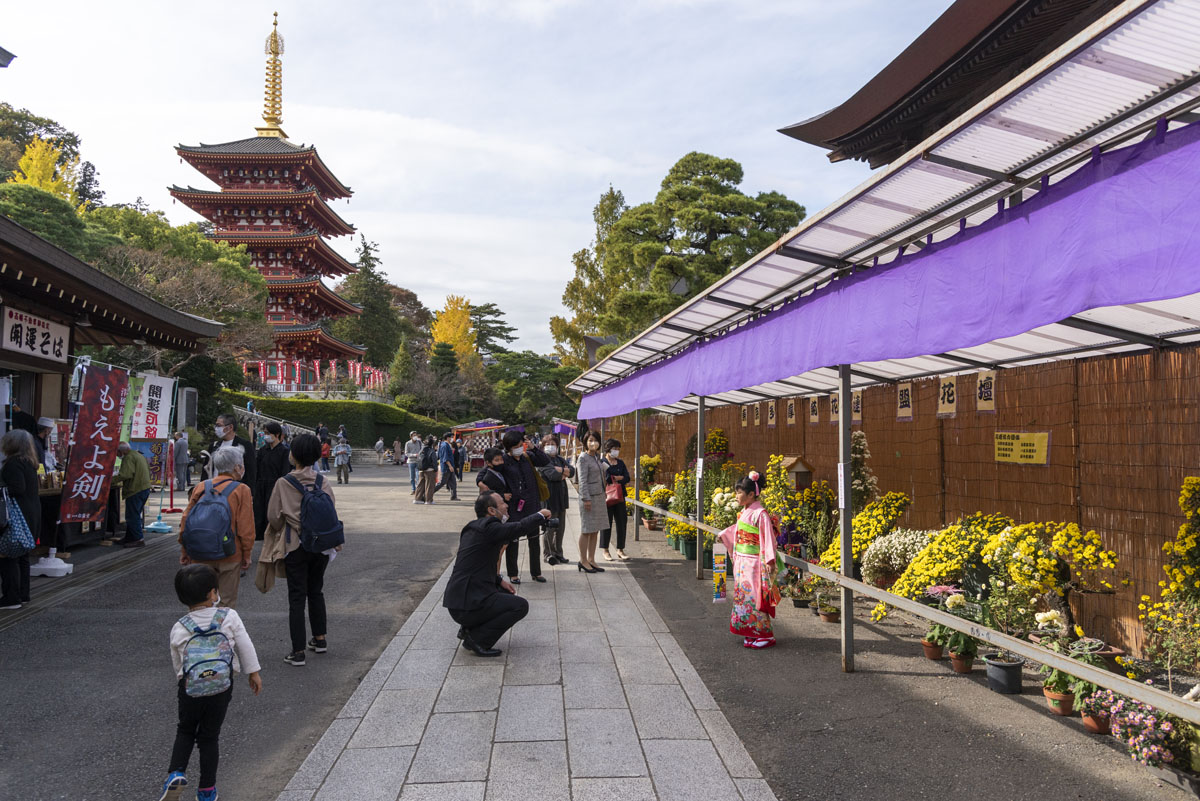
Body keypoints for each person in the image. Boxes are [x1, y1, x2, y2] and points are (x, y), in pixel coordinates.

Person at [161, 564, 261, 801]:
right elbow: (245, 645)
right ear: (212, 593)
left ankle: (176, 772)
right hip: (221, 687)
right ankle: (207, 790)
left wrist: (183, 681)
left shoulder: (180, 626)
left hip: (191, 689)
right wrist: (253, 672)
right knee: (209, 737)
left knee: (185, 730)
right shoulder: (229, 616)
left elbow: (179, 661)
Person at [261, 433, 340, 666]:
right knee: (316, 590)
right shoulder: (321, 481)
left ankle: (297, 651)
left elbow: (273, 517)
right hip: (321, 546)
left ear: (292, 455)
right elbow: (331, 509)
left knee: (297, 596)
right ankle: (320, 639)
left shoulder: (284, 483)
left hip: (295, 544)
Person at [444, 492, 551, 657]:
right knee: (519, 606)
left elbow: (478, 566)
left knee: (504, 592)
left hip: (458, 601)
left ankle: (468, 629)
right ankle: (478, 640)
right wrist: (539, 515)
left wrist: (499, 580)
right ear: (491, 510)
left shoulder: (473, 527)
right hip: (466, 605)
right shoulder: (489, 527)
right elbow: (518, 528)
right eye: (502, 503)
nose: (506, 505)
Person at [179, 446, 255, 609]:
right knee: (226, 604)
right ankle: (221, 633)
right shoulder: (242, 490)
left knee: (200, 602)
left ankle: (200, 632)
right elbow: (245, 527)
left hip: (199, 552)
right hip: (230, 553)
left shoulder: (201, 487)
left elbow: (186, 519)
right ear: (237, 467)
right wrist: (247, 554)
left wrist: (185, 551)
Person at [718, 472, 780, 650]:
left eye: (739, 492)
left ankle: (765, 634)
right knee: (742, 597)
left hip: (754, 563)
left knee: (755, 598)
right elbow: (737, 531)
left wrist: (769, 560)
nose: (736, 496)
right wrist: (724, 535)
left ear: (751, 494)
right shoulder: (744, 512)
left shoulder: (760, 514)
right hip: (742, 561)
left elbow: (767, 537)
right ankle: (750, 632)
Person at [0, 430, 40, 609]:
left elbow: (17, 488)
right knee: (23, 556)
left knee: (8, 556)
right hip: (31, 514)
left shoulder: (13, 464)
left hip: (16, 517)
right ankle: (24, 595)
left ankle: (11, 597)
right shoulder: (30, 463)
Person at [498, 430, 544, 583]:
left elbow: (545, 461)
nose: (520, 448)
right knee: (513, 541)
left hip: (531, 504)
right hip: (514, 507)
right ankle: (513, 573)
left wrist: (533, 447)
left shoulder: (527, 457)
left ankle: (536, 572)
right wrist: (502, 494)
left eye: (521, 445)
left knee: (534, 539)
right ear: (509, 447)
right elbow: (487, 476)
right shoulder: (503, 461)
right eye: (517, 446)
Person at [537, 434, 574, 565]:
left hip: (561, 499)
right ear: (543, 446)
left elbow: (572, 471)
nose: (550, 447)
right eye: (547, 444)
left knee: (560, 528)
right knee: (549, 529)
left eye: (553, 444)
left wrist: (562, 470)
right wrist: (564, 473)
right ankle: (548, 554)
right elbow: (552, 476)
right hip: (548, 499)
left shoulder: (559, 459)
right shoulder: (542, 460)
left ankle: (559, 553)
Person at [575, 431, 607, 573]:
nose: (593, 443)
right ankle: (583, 560)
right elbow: (582, 481)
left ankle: (592, 559)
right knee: (587, 529)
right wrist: (586, 499)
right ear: (585, 442)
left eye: (595, 440)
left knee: (595, 530)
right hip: (588, 498)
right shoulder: (583, 458)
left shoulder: (597, 458)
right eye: (590, 440)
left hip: (599, 496)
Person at [255, 423, 290, 540]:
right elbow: (257, 469)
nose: (266, 436)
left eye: (268, 433)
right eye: (264, 433)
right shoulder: (262, 450)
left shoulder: (284, 451)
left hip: (275, 485)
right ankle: (260, 534)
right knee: (259, 511)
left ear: (277, 434)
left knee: (272, 512)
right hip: (261, 485)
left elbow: (284, 472)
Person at [113, 442, 152, 548]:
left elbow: (126, 474)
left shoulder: (128, 458)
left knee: (132, 516)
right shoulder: (138, 455)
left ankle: (138, 539)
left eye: (117, 452)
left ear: (121, 451)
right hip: (144, 488)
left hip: (135, 489)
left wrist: (110, 481)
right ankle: (130, 537)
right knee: (135, 514)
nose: (117, 455)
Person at [206, 414, 257, 494]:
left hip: (235, 490)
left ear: (230, 427)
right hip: (214, 489)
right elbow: (207, 468)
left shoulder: (245, 445)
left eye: (219, 425)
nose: (216, 428)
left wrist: (250, 493)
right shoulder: (214, 445)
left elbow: (251, 471)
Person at [599, 438, 631, 562]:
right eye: (614, 449)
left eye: (618, 449)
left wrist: (620, 478)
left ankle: (620, 549)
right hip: (607, 496)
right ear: (608, 449)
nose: (616, 451)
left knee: (622, 522)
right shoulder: (602, 462)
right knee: (606, 523)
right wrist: (616, 477)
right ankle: (605, 550)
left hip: (620, 496)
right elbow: (606, 477)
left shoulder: (620, 462)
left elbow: (627, 477)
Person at [413, 435, 438, 505]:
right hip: (430, 470)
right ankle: (428, 500)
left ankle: (417, 499)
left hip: (421, 469)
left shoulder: (421, 449)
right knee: (429, 485)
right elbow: (434, 461)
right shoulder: (431, 450)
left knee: (420, 485)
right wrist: (435, 469)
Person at [433, 432, 458, 501]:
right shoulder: (444, 445)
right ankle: (429, 493)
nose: (452, 439)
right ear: (448, 438)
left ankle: (454, 496)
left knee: (453, 482)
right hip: (447, 467)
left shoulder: (446, 445)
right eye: (451, 437)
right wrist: (450, 466)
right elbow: (445, 457)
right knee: (442, 482)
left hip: (450, 466)